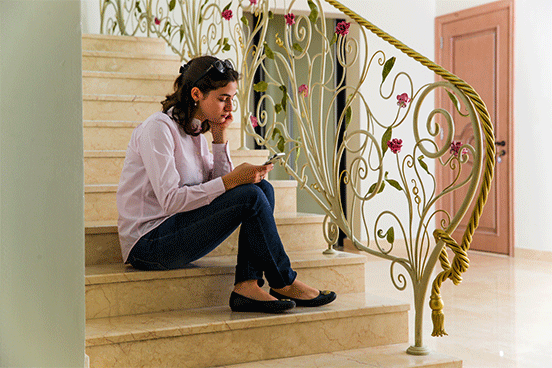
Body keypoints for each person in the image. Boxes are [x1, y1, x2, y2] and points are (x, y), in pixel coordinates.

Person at [116, 55, 336, 313]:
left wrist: (219, 137)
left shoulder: (196, 130)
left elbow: (213, 188)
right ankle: (283, 280)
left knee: (262, 189)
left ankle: (247, 285)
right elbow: (171, 200)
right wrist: (232, 180)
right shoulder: (158, 128)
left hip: (177, 228)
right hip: (148, 243)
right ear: (196, 93)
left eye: (232, 98)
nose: (230, 106)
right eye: (223, 98)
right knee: (251, 196)